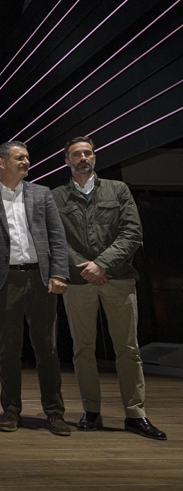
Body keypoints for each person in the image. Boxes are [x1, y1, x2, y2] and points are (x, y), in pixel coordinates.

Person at [52, 136, 165, 440]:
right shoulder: (56, 196)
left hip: (118, 278)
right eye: (76, 154)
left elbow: (132, 232)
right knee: (83, 349)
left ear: (95, 158)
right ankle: (91, 411)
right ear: (67, 161)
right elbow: (56, 240)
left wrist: (101, 264)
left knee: (128, 349)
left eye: (88, 153)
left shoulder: (118, 189)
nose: (83, 158)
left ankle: (135, 414)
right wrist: (86, 268)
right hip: (78, 283)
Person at [0, 141, 71, 436]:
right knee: (8, 350)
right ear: (1, 162)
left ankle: (55, 413)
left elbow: (57, 237)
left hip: (41, 280)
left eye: (28, 158)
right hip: (6, 283)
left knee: (48, 349)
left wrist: (58, 273)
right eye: (19, 158)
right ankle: (11, 410)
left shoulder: (41, 194)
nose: (26, 162)